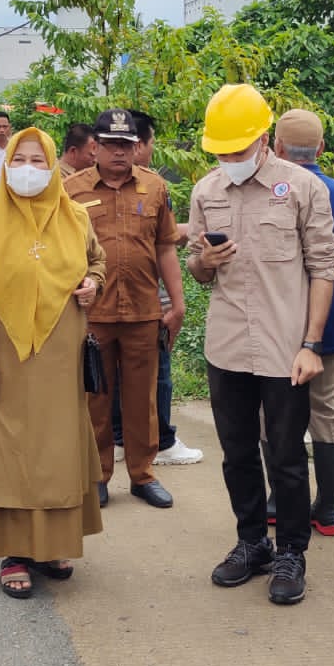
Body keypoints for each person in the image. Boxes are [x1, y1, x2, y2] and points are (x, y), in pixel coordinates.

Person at [186, 84, 334, 606]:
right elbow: (196, 268)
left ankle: (291, 550)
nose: (229, 159)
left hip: (284, 347)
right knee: (236, 453)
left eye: (238, 149)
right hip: (227, 343)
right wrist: (204, 262)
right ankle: (251, 541)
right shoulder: (206, 192)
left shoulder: (301, 189)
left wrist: (312, 343)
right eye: (221, 152)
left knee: (288, 455)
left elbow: (324, 267)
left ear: (265, 138)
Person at [0, 127, 107, 598]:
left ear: (54, 166)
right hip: (7, 361)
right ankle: (15, 553)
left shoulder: (77, 219)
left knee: (57, 451)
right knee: (11, 453)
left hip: (61, 363)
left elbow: (97, 263)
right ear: (4, 166)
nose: (28, 169)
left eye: (39, 161)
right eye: (19, 160)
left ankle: (52, 545)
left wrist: (93, 285)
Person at [64, 108, 183, 510]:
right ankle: (97, 475)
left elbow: (165, 246)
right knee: (95, 398)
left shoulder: (156, 188)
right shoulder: (71, 191)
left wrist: (177, 303)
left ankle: (143, 474)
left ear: (137, 147)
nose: (119, 152)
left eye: (127, 145)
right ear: (94, 146)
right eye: (111, 144)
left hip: (143, 312)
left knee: (142, 399)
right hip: (90, 313)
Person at [266, 109, 334, 537]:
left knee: (272, 415)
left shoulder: (270, 190)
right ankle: (327, 510)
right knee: (326, 412)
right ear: (322, 149)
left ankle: (276, 502)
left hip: (277, 327)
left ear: (278, 148)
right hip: (327, 330)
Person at [125, 110, 203, 466]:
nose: (152, 148)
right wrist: (173, 300)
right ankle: (162, 441)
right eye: (152, 141)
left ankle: (124, 439)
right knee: (159, 373)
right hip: (147, 299)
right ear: (139, 144)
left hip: (121, 299)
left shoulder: (89, 185)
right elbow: (163, 245)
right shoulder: (154, 186)